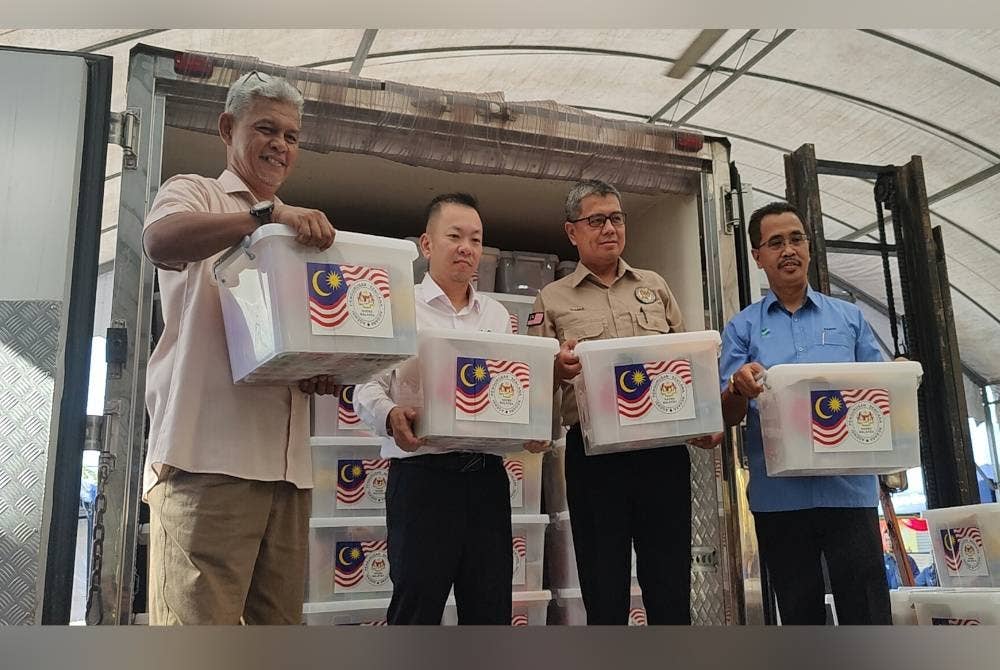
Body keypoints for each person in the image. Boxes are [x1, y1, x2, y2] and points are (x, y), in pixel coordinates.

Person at [141, 70, 337, 625]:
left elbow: (295, 339)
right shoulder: (195, 191)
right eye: (266, 129)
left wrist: (323, 370)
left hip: (288, 474)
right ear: (227, 128)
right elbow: (159, 239)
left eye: (292, 136)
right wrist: (263, 216)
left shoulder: (298, 232)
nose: (280, 145)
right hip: (207, 462)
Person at [527, 179, 706, 625]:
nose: (610, 228)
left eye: (617, 218)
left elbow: (685, 362)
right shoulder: (552, 299)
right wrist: (556, 371)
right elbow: (531, 382)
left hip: (662, 455)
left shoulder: (655, 286)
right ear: (573, 232)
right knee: (603, 590)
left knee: (670, 589)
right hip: (595, 459)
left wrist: (705, 418)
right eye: (597, 219)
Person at [354, 192, 537, 625]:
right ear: (427, 244)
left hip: (487, 479)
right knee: (416, 606)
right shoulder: (398, 305)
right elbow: (366, 385)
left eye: (476, 239)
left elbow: (509, 388)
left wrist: (531, 422)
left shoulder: (496, 315)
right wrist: (389, 415)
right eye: (454, 236)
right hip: (422, 480)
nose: (467, 248)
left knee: (490, 607)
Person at [716, 201, 892, 625]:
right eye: (775, 243)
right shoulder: (741, 327)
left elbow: (880, 394)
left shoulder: (849, 318)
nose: (788, 250)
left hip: (849, 493)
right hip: (781, 501)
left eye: (796, 238)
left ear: (809, 247)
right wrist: (739, 385)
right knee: (799, 616)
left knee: (866, 614)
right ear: (758, 257)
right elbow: (726, 415)